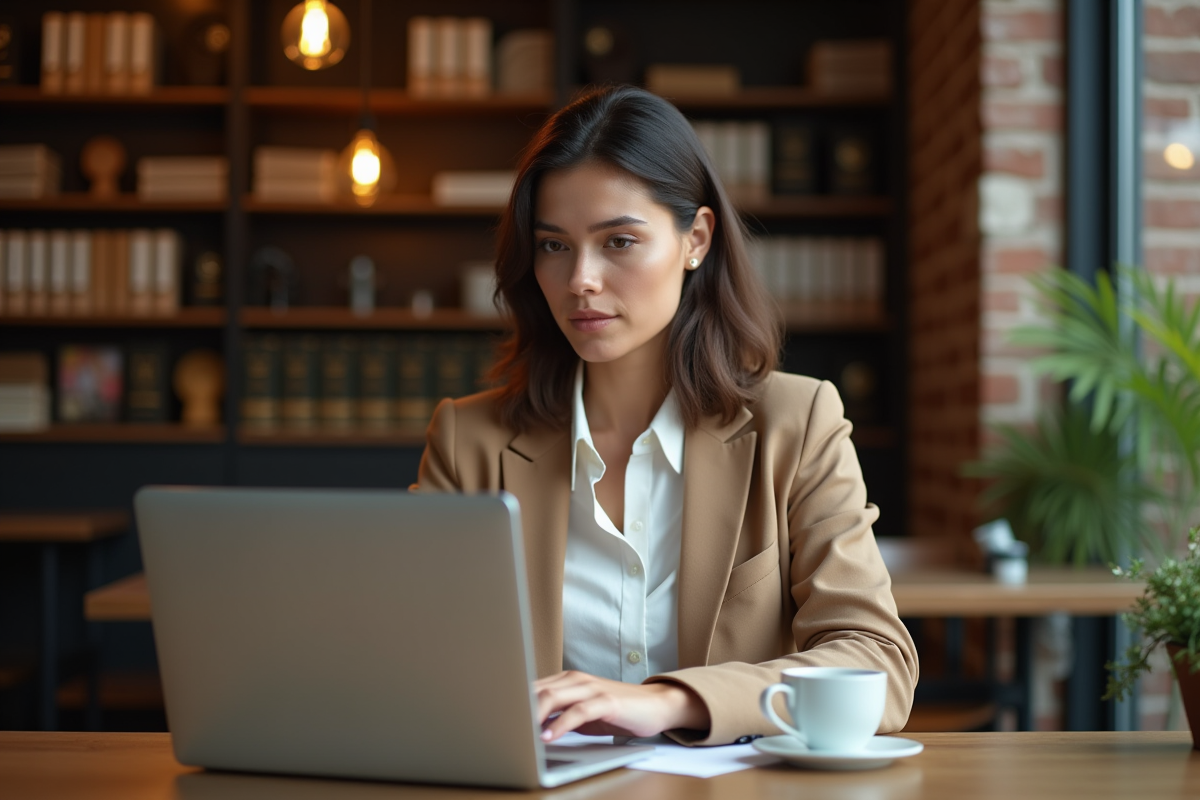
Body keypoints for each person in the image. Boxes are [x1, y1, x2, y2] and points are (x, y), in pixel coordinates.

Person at [413, 85, 918, 746]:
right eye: (554, 246)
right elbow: (414, 663)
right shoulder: (469, 442)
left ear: (696, 240)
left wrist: (672, 702)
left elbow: (876, 662)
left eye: (618, 241)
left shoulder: (797, 424)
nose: (581, 281)